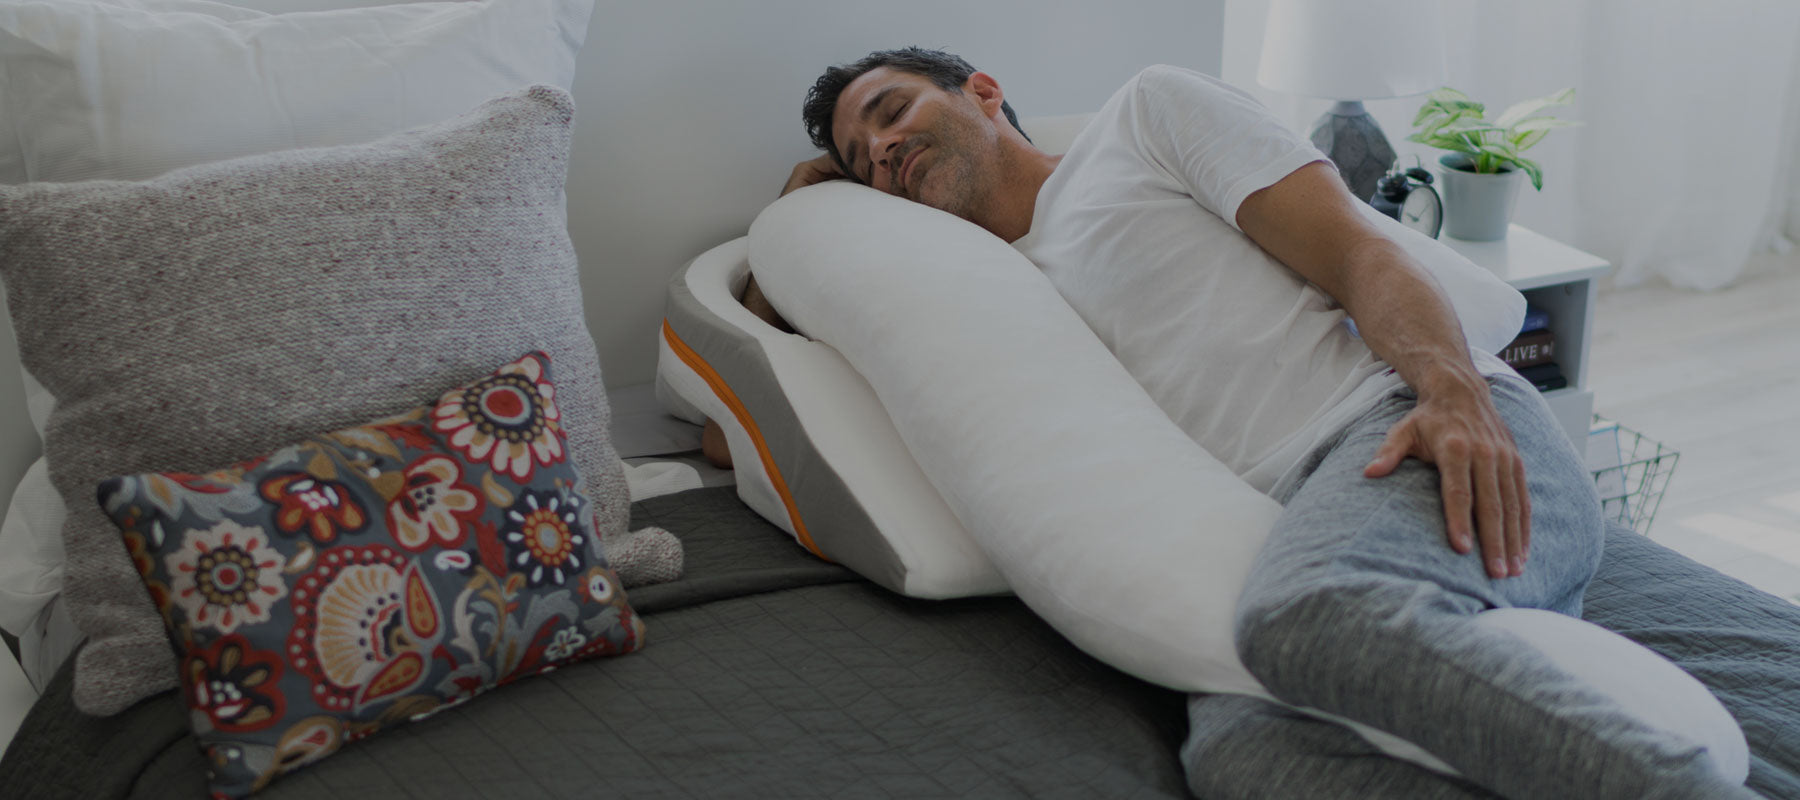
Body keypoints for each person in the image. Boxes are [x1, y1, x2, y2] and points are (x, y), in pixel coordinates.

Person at [749, 48, 1754, 799]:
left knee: (1302, 616)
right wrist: (811, 210)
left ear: (980, 88)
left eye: (891, 111)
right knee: (1245, 756)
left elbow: (1359, 248)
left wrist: (1454, 393)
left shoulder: (1145, 117)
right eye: (862, 159)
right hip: (1295, 519)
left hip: (1402, 425)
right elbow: (764, 372)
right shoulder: (982, 289)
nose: (881, 148)